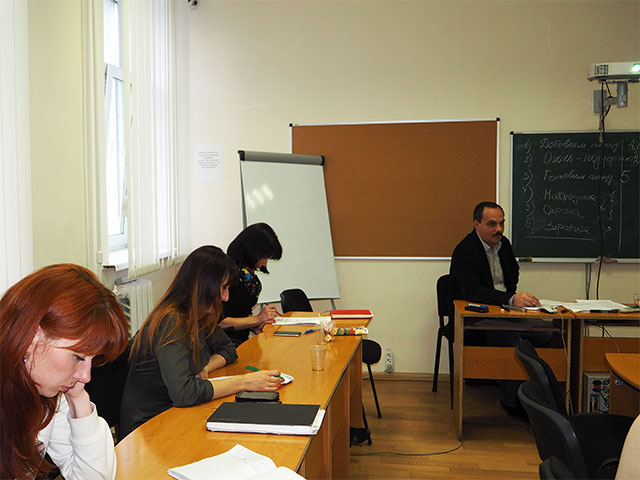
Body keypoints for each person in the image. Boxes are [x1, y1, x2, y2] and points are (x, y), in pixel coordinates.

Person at [120, 245, 282, 438]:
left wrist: (205, 367)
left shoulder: (198, 314)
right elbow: (184, 393)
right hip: (147, 428)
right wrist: (244, 382)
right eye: (223, 288)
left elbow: (228, 350)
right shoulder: (171, 321)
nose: (226, 297)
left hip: (175, 413)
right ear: (204, 285)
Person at [0, 264, 130, 480]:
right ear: (34, 336)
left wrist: (79, 400)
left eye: (92, 360)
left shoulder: (47, 393)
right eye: (78, 357)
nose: (86, 376)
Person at [450, 201, 552, 418]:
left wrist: (513, 300)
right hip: (477, 317)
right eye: (492, 224)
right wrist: (511, 298)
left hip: (507, 311)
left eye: (501, 223)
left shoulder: (503, 244)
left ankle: (544, 396)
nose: (499, 229)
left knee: (549, 334)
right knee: (511, 341)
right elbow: (472, 292)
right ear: (476, 224)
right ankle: (512, 402)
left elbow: (513, 273)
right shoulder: (465, 250)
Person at [219, 223, 283, 346]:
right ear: (253, 252)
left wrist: (256, 326)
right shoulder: (226, 276)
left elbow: (241, 313)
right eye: (264, 257)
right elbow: (220, 323)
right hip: (225, 345)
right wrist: (258, 318)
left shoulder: (248, 277)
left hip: (241, 342)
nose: (264, 264)